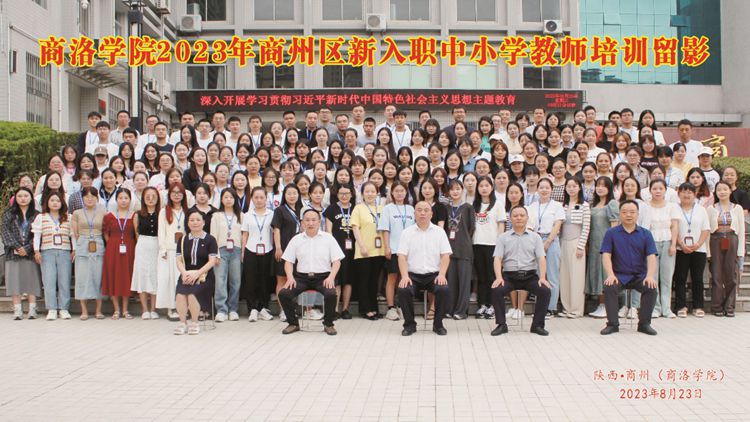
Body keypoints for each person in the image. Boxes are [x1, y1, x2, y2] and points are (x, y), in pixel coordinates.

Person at [278, 209, 344, 336]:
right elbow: (288, 261)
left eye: (314, 220)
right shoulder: (296, 239)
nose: (310, 223)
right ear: (302, 222)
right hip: (301, 278)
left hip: (323, 277)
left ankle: (328, 324)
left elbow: (337, 262)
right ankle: (293, 323)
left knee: (331, 294)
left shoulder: (328, 238)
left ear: (319, 222)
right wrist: (290, 277)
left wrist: (331, 278)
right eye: (307, 220)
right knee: (284, 294)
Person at [489, 205, 551, 336]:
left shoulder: (535, 237)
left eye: (522, 215)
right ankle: (501, 325)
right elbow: (497, 258)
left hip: (530, 276)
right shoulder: (503, 237)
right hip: (509, 276)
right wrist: (499, 277)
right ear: (510, 218)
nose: (519, 218)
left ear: (527, 218)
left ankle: (537, 325)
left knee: (545, 291)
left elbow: (541, 258)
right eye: (515, 215)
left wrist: (542, 277)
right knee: (496, 290)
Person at [599, 200, 659, 336]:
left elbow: (651, 256)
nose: (628, 215)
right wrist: (610, 274)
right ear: (619, 214)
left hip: (639, 276)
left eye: (632, 212)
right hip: (619, 275)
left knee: (651, 288)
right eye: (625, 212)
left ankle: (644, 324)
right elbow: (606, 255)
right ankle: (612, 324)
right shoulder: (611, 233)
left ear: (638, 214)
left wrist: (650, 276)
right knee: (609, 287)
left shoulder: (646, 234)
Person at [395, 201, 452, 336]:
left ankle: (438, 324)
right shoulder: (407, 233)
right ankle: (410, 325)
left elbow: (445, 256)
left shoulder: (439, 232)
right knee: (403, 289)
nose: (422, 213)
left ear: (431, 214)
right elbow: (401, 256)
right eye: (419, 210)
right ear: (414, 213)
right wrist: (404, 276)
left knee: (443, 289)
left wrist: (442, 274)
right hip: (412, 275)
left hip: (434, 275)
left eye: (426, 210)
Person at [173, 210, 219, 335]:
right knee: (180, 295)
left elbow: (212, 261)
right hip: (186, 275)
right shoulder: (183, 239)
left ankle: (194, 322)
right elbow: (179, 260)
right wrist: (184, 273)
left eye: (198, 220)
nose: (195, 223)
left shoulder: (210, 239)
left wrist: (197, 274)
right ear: (188, 223)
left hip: (205, 276)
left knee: (193, 294)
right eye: (191, 220)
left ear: (203, 222)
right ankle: (182, 322)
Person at [32, 191, 74, 321]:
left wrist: (74, 249)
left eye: (58, 200)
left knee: (64, 280)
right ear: (47, 203)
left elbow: (73, 235)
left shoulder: (69, 217)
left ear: (62, 203)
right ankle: (51, 309)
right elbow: (37, 235)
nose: (55, 203)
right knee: (49, 280)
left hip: (65, 251)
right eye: (52, 200)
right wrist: (36, 251)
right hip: (47, 251)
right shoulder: (41, 217)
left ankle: (64, 308)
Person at [706, 181, 745, 317]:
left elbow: (741, 231)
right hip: (715, 240)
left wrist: (740, 251)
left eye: (725, 189)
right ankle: (717, 306)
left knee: (731, 275)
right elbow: (707, 231)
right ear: (715, 193)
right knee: (716, 275)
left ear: (730, 191)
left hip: (732, 239)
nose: (722, 192)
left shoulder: (737, 208)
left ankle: (729, 307)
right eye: (719, 190)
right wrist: (708, 252)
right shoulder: (711, 209)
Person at [2, 188, 41, 320]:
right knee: (14, 281)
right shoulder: (9, 213)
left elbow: (38, 234)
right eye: (20, 196)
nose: (23, 198)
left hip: (30, 253)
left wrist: (28, 248)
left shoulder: (37, 215)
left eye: (26, 196)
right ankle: (17, 310)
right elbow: (5, 232)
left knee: (32, 280)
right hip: (13, 253)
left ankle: (32, 309)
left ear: (31, 198)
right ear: (15, 198)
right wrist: (18, 247)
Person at [672, 183, 710, 318]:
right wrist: (681, 244)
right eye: (683, 192)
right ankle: (680, 306)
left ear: (695, 194)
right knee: (680, 277)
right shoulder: (674, 208)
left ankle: (698, 306)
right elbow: (672, 228)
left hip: (699, 249)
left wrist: (698, 244)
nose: (686, 195)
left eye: (690, 192)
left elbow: (706, 229)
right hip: (680, 248)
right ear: (679, 194)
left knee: (697, 278)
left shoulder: (701, 210)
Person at [351, 182, 385, 320]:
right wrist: (362, 246)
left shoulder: (381, 208)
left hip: (379, 250)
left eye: (373, 191)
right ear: (362, 193)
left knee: (374, 281)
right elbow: (355, 228)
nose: (370, 194)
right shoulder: (358, 208)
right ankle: (365, 309)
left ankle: (374, 308)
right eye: (367, 191)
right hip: (364, 250)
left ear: (377, 193)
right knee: (364, 281)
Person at [71, 187, 106, 320]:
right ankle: (84, 310)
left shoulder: (103, 211)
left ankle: (98, 310)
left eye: (93, 196)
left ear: (97, 198)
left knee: (98, 276)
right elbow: (74, 233)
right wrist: (75, 248)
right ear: (82, 198)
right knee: (82, 277)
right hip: (83, 244)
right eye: (86, 196)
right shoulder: (77, 213)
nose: (90, 199)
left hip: (98, 243)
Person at [240, 187, 275, 322]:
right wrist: (243, 251)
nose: (259, 200)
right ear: (252, 199)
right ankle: (253, 309)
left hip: (267, 250)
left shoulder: (272, 214)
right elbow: (245, 234)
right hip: (251, 250)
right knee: (251, 281)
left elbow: (274, 232)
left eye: (262, 197)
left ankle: (263, 308)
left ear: (266, 199)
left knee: (264, 281)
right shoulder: (248, 215)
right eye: (256, 197)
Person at [101, 189, 136, 319]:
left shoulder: (134, 215)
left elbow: (136, 233)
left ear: (130, 200)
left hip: (129, 248)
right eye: (120, 198)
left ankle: (125, 309)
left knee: (126, 276)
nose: (123, 201)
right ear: (116, 200)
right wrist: (112, 244)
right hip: (113, 249)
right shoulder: (109, 216)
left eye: (126, 198)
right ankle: (116, 309)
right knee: (113, 276)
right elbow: (105, 233)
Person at [559, 178, 591, 318]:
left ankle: (576, 309)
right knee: (564, 276)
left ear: (579, 188)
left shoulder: (584, 205)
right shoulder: (563, 205)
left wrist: (581, 246)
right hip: (563, 242)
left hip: (576, 242)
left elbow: (586, 227)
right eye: (569, 186)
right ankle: (566, 307)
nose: (571, 188)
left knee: (577, 276)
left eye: (574, 186)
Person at [211, 188, 245, 322]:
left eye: (231, 197)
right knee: (220, 281)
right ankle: (221, 310)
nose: (228, 200)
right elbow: (213, 236)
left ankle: (233, 309)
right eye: (226, 197)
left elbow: (243, 235)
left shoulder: (241, 215)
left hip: (236, 250)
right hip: (221, 250)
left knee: (236, 281)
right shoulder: (216, 216)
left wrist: (242, 251)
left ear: (235, 199)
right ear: (221, 199)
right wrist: (215, 254)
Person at [444, 180, 476, 319]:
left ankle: (461, 311)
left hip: (464, 248)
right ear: (448, 192)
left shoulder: (468, 207)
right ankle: (450, 309)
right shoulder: (446, 208)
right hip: (448, 249)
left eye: (458, 189)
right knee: (451, 281)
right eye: (452, 189)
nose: (455, 192)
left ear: (462, 190)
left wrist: (463, 239)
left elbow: (471, 228)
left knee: (464, 282)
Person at [156, 183, 188, 320]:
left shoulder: (187, 211)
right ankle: (171, 307)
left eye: (179, 192)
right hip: (168, 251)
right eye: (174, 192)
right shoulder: (164, 211)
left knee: (181, 279)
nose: (176, 195)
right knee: (169, 280)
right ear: (169, 195)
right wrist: (163, 249)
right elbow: (161, 232)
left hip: (183, 251)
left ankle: (183, 307)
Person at [131, 187, 161, 319]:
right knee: (142, 275)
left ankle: (153, 309)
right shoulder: (138, 214)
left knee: (155, 275)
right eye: (147, 196)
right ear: (143, 198)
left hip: (157, 244)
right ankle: (144, 310)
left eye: (153, 196)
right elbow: (137, 234)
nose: (150, 198)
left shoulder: (162, 213)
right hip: (143, 245)